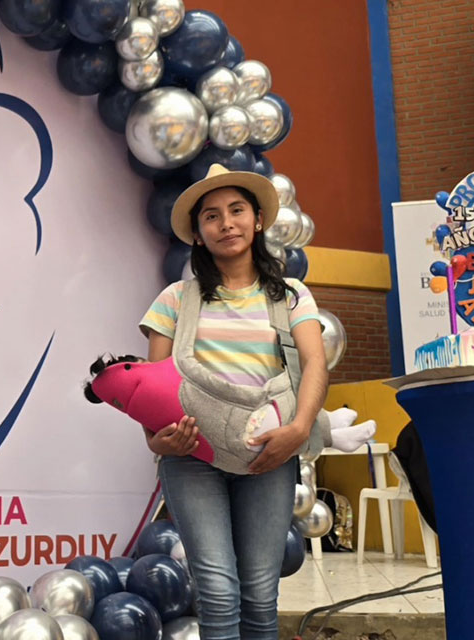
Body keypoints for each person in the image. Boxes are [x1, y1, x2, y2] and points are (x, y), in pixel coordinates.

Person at [138, 164, 329, 639]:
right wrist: (157, 439)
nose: (226, 223)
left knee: (261, 595)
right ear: (199, 234)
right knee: (218, 593)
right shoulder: (174, 300)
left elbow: (314, 364)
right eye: (212, 216)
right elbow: (152, 386)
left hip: (269, 456)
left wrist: (299, 430)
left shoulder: (290, 296)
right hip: (193, 459)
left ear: (258, 220)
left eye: (237, 210)